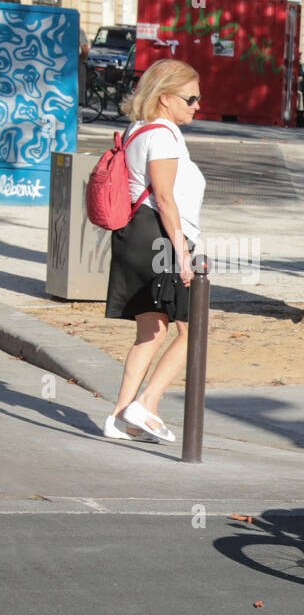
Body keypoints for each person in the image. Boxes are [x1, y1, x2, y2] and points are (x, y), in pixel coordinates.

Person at [102, 59, 206, 445]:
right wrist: (181, 251)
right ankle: (146, 405)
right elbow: (164, 197)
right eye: (190, 98)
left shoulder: (137, 129)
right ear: (165, 98)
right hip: (160, 236)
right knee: (193, 330)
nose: (197, 105)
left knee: (151, 331)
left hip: (136, 235)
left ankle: (119, 416)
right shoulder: (162, 135)